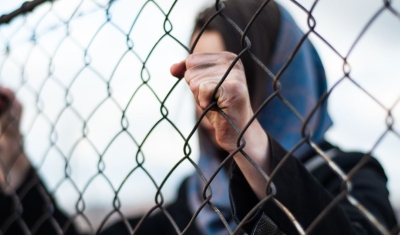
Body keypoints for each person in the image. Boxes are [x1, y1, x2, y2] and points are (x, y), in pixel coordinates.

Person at [0, 0, 397, 234]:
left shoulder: (348, 174)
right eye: (199, 76)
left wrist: (251, 144)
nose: (208, 97)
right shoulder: (192, 202)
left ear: (276, 77)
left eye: (226, 75)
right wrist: (14, 158)